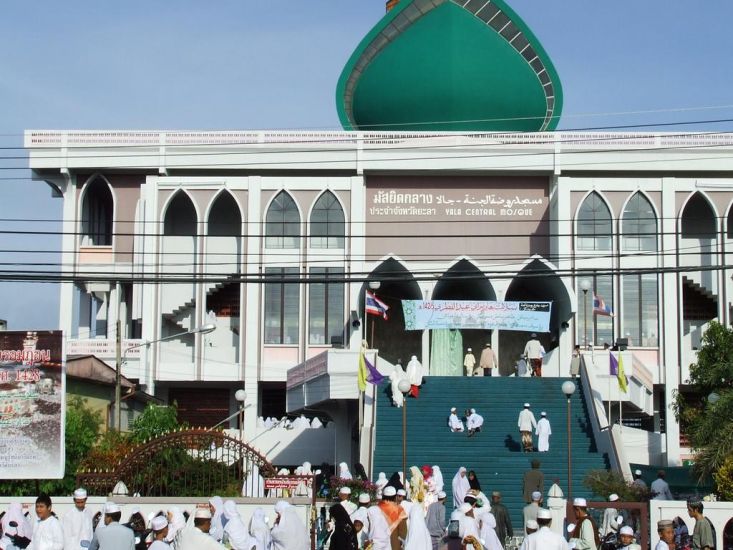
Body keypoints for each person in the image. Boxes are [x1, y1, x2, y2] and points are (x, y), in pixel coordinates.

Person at [369, 486, 407, 550]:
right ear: (395, 497)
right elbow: (403, 532)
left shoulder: (373, 509)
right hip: (393, 545)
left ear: (383, 496)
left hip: (375, 545)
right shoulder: (399, 510)